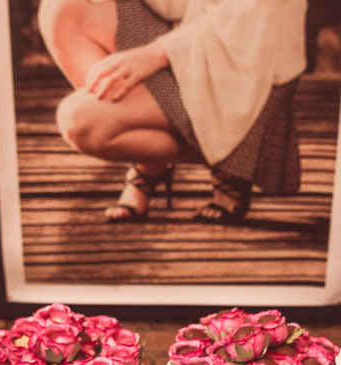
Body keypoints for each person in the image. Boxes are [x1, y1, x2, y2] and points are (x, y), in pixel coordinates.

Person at [38, 0, 309, 224]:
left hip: (246, 69)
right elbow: (177, 6)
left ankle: (242, 154)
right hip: (192, 44)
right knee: (63, 10)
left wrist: (153, 55)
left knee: (80, 121)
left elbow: (253, 19)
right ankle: (151, 159)